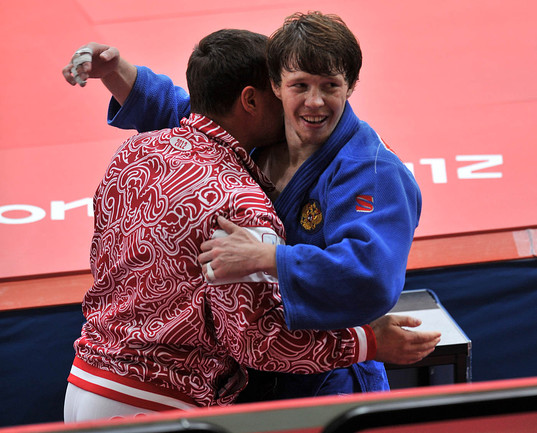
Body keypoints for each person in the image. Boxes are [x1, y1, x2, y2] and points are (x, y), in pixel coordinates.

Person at [63, 29, 440, 422]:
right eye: (300, 85)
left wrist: (271, 258)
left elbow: (372, 276)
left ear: (351, 85)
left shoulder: (371, 169)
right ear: (274, 88)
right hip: (174, 394)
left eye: (330, 85)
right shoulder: (249, 161)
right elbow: (207, 112)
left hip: (321, 382)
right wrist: (368, 342)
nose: (314, 101)